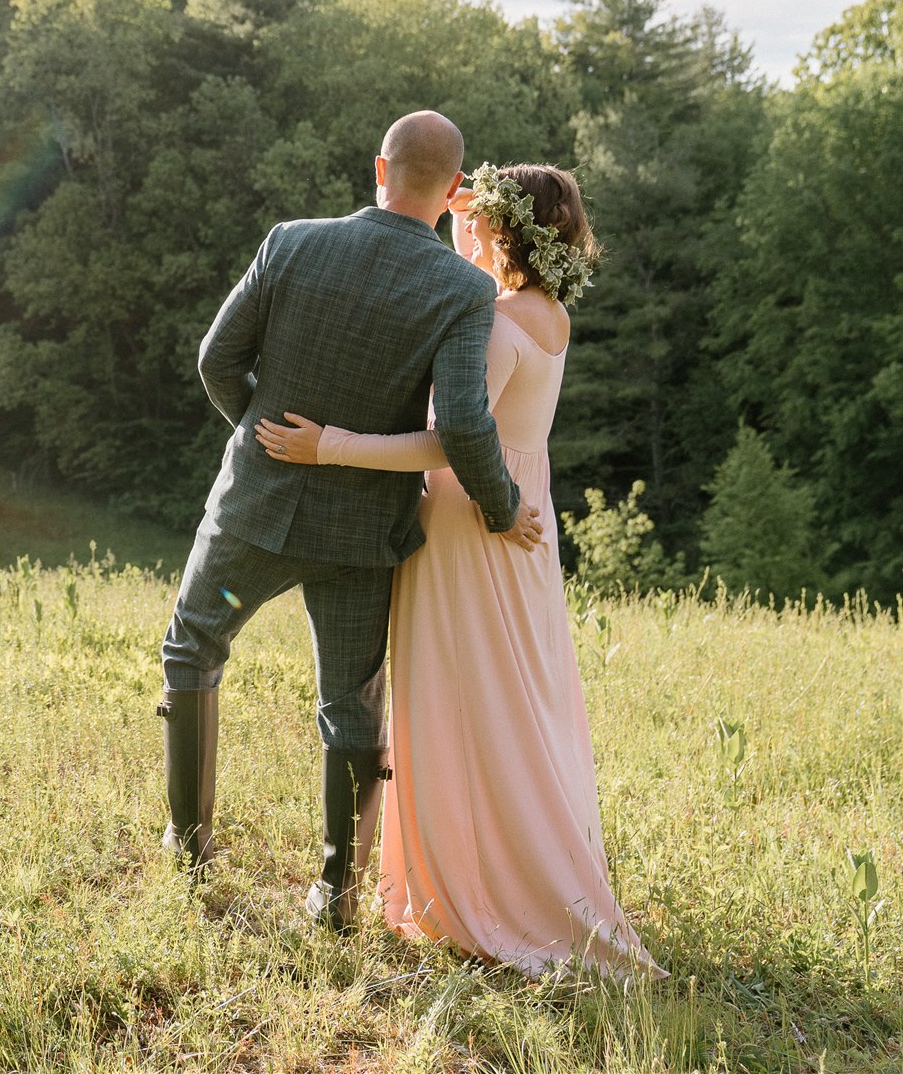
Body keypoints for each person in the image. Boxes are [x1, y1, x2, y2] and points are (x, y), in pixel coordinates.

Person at [254, 163, 665, 979]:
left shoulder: (496, 320)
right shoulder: (550, 315)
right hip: (521, 518)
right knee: (512, 698)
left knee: (457, 695)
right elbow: (499, 391)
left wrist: (329, 442)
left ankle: (481, 890)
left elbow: (450, 441)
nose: (461, 228)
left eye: (478, 217)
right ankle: (508, 862)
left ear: (507, 230)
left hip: (471, 521)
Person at [157, 110, 543, 932]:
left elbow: (215, 360)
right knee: (350, 705)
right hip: (360, 538)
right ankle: (334, 896)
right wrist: (502, 509)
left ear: (379, 165)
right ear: (451, 192)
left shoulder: (290, 241)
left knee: (194, 643)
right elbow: (468, 428)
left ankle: (188, 849)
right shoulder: (463, 290)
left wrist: (262, 440)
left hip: (251, 514)